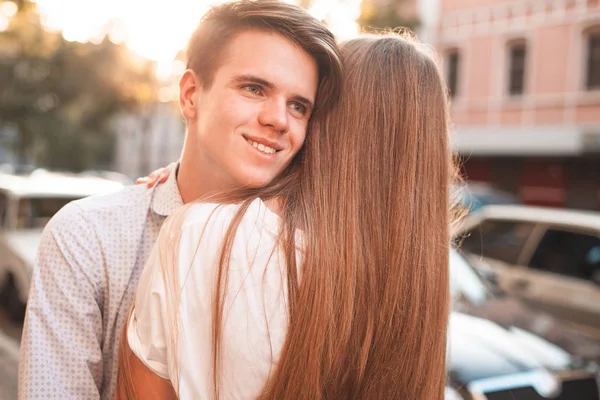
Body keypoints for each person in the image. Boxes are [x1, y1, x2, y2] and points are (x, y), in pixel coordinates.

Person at [18, 1, 342, 399]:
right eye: (254, 88)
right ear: (190, 95)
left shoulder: (316, 256)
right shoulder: (88, 237)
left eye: (299, 106)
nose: (279, 119)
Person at [117, 32, 457, 399]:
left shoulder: (198, 233)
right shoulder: (421, 287)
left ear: (327, 121)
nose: (280, 119)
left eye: (300, 106)